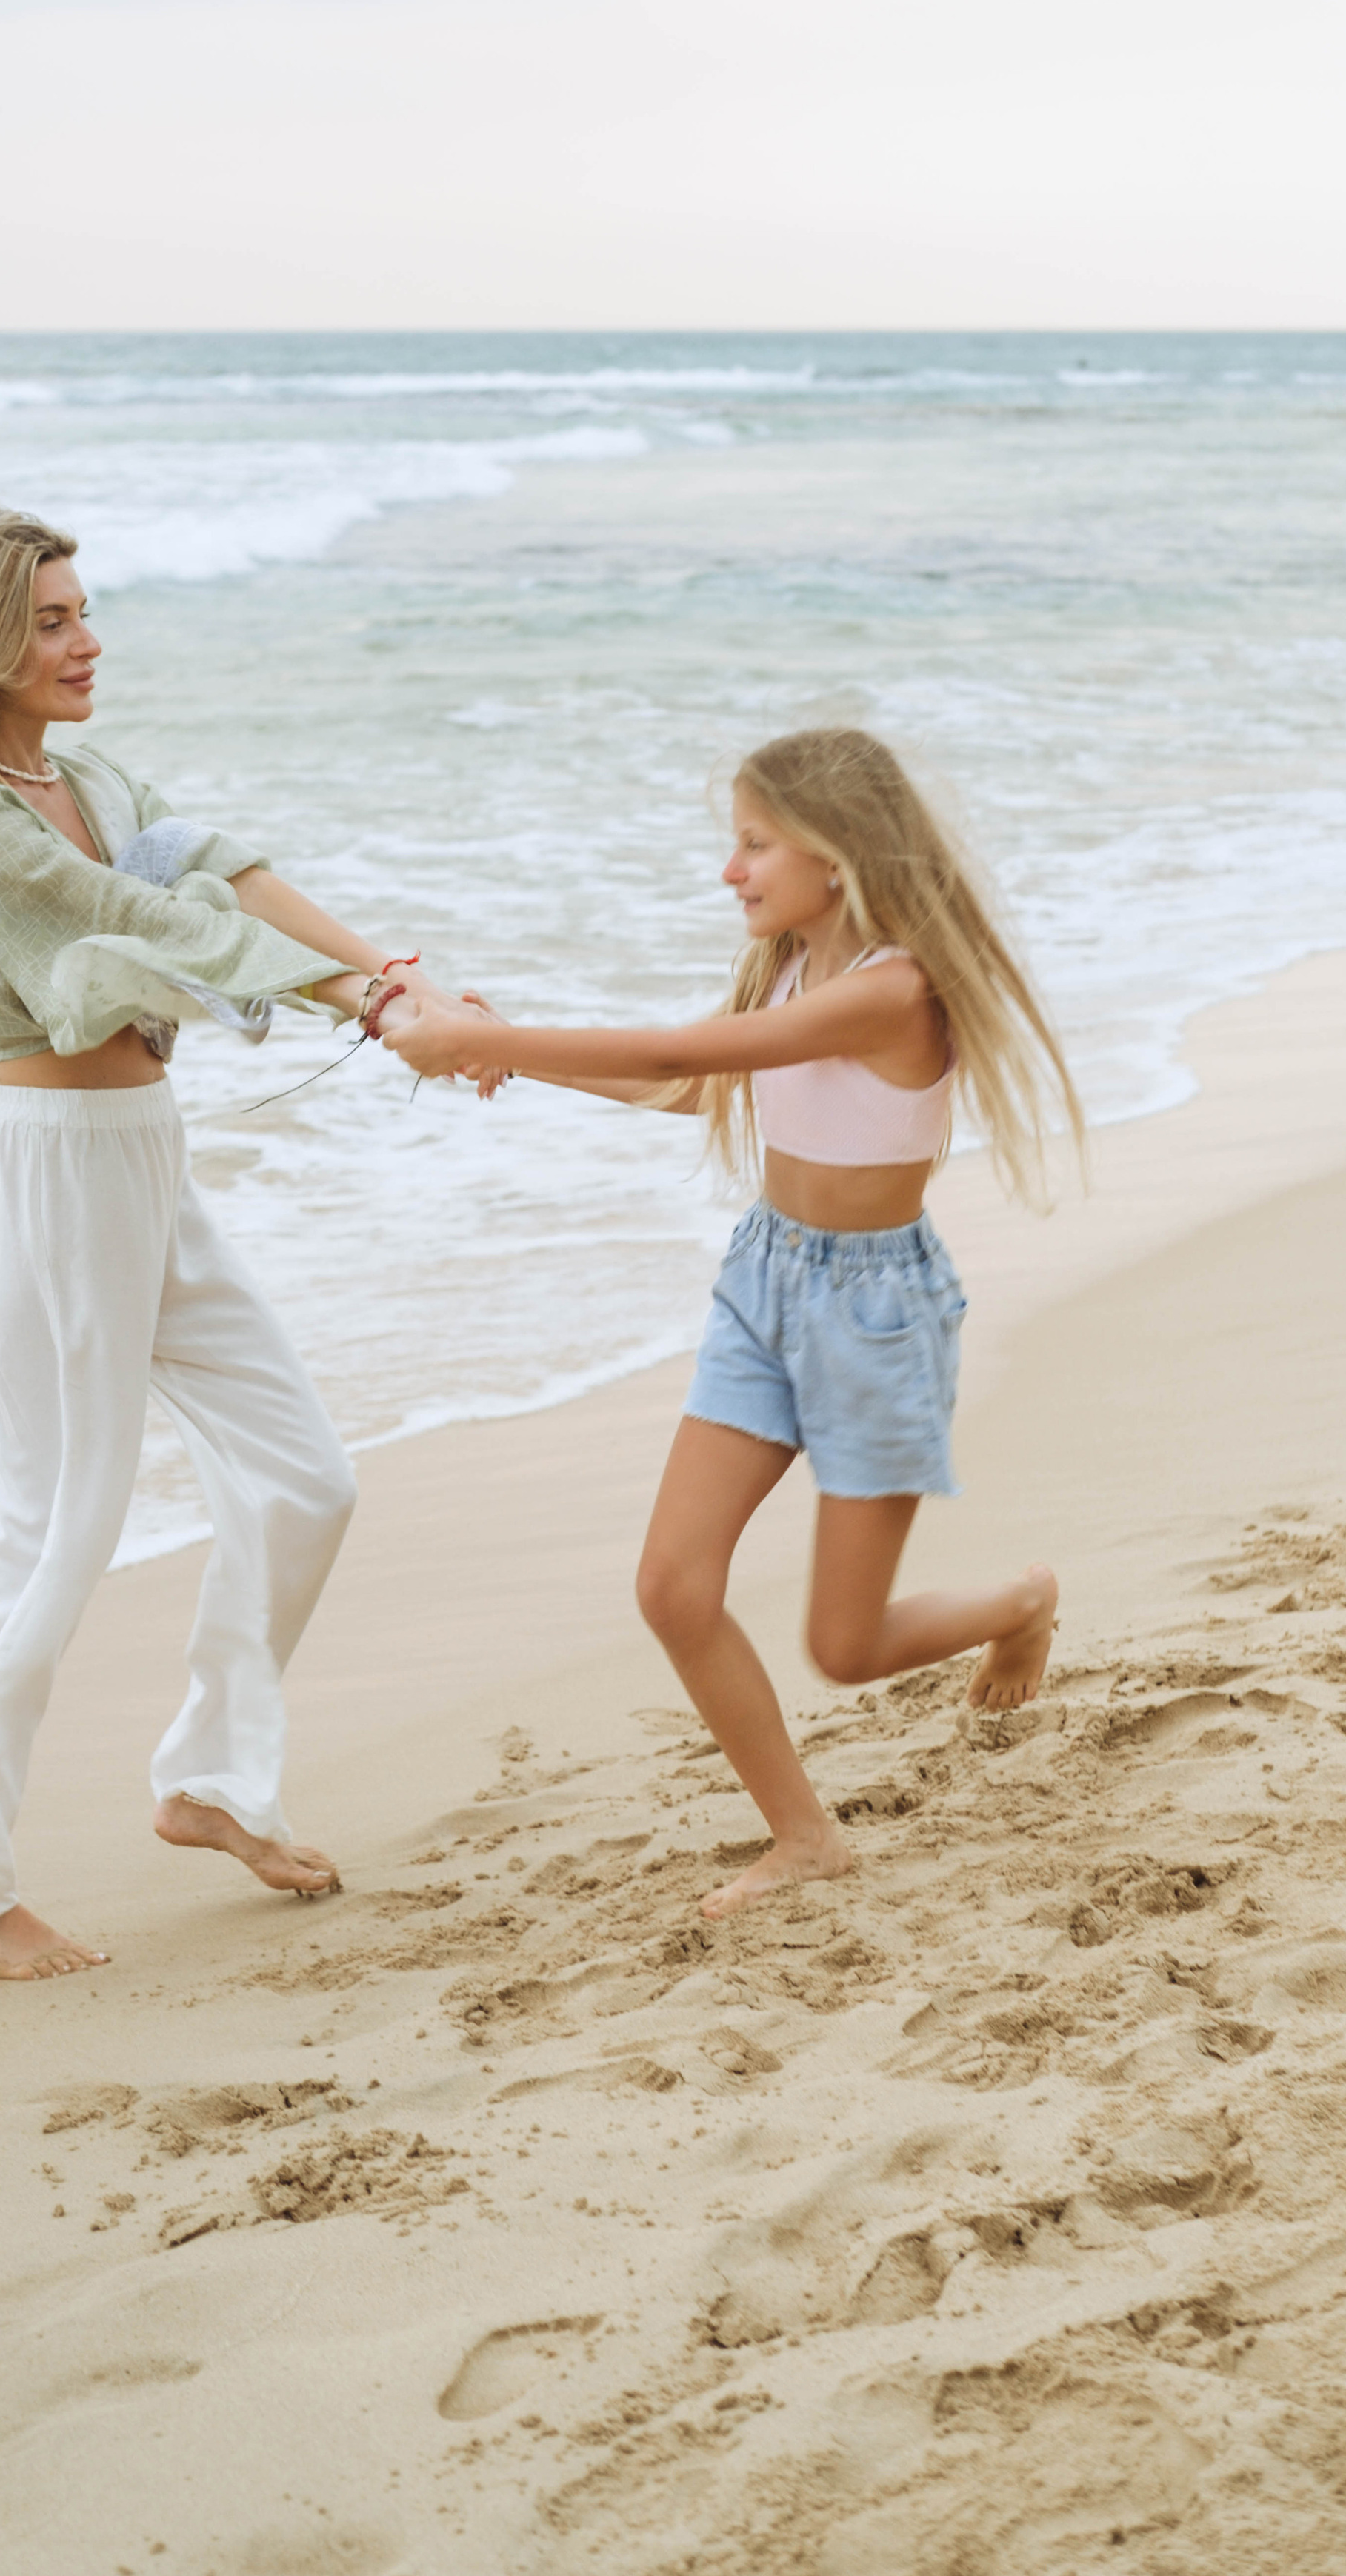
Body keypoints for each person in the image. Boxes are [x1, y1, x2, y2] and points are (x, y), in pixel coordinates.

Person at [0, 507, 455, 1982]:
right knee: (50, 1527)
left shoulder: (78, 771)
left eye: (83, 613)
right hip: (51, 1172)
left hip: (146, 1157)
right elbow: (145, 920)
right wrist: (374, 1017)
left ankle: (212, 1779)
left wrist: (390, 979)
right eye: (51, 623)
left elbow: (223, 866)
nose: (87, 643)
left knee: (299, 1477)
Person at [388, 726, 1085, 1920]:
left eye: (756, 844)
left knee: (847, 1650)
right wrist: (507, 1055)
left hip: (876, 1314)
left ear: (839, 854)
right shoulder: (789, 972)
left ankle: (1021, 1604)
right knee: (672, 1584)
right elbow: (692, 1081)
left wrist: (481, 1036)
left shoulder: (894, 989)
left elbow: (678, 1044)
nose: (732, 871)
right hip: (766, 1283)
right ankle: (805, 1839)